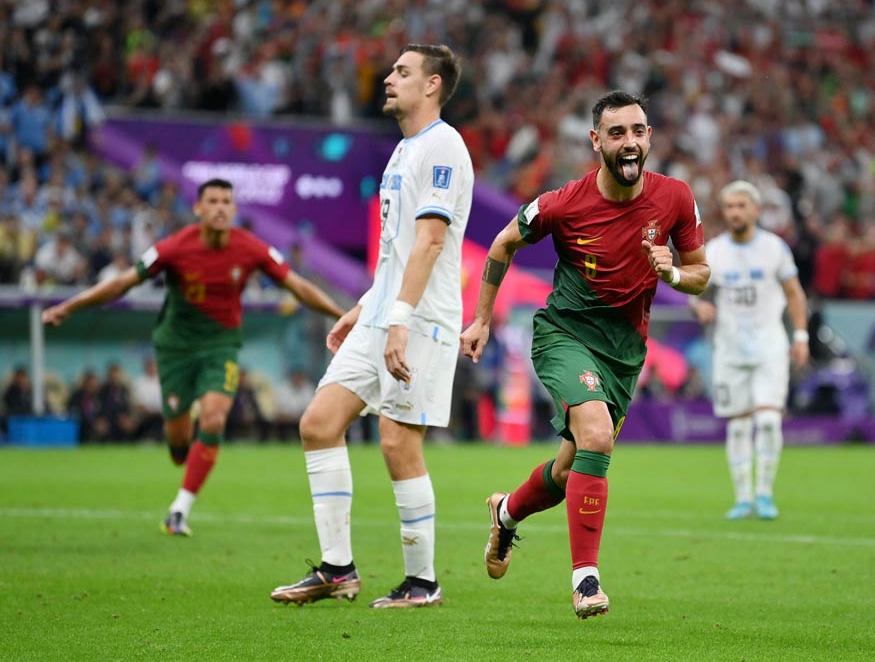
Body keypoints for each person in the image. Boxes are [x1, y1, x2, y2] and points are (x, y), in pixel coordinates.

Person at [460, 91, 709, 619]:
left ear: (650, 138)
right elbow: (503, 243)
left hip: (624, 354)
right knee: (595, 436)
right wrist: (482, 317)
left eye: (638, 131)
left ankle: (505, 514)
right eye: (617, 133)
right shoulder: (563, 203)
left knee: (573, 466)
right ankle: (585, 580)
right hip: (565, 335)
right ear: (596, 141)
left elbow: (701, 274)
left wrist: (672, 274)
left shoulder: (675, 198)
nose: (630, 142)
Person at [269, 44, 472, 610]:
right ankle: (338, 570)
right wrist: (366, 305)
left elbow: (431, 242)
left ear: (432, 85)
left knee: (396, 442)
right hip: (384, 312)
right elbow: (396, 248)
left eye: (402, 72)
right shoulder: (403, 150)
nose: (388, 78)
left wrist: (401, 318)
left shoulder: (442, 146)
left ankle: (423, 582)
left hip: (422, 319)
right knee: (318, 423)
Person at [42, 177, 345, 535]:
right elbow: (124, 281)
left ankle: (179, 510)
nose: (220, 207)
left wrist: (342, 315)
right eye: (212, 201)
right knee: (178, 442)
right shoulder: (174, 248)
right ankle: (183, 455)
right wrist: (71, 306)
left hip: (222, 346)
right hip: (175, 349)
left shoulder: (250, 248)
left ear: (233, 209)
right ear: (198, 208)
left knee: (214, 418)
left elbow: (296, 285)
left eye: (226, 201)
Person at [690, 180, 809, 521]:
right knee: (739, 427)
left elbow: (795, 293)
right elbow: (694, 291)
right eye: (730, 207)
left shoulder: (774, 248)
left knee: (769, 421)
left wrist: (800, 335)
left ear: (756, 210)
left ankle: (765, 494)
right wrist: (699, 308)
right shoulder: (714, 251)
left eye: (742, 205)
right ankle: (743, 498)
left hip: (769, 346)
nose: (736, 212)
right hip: (728, 350)